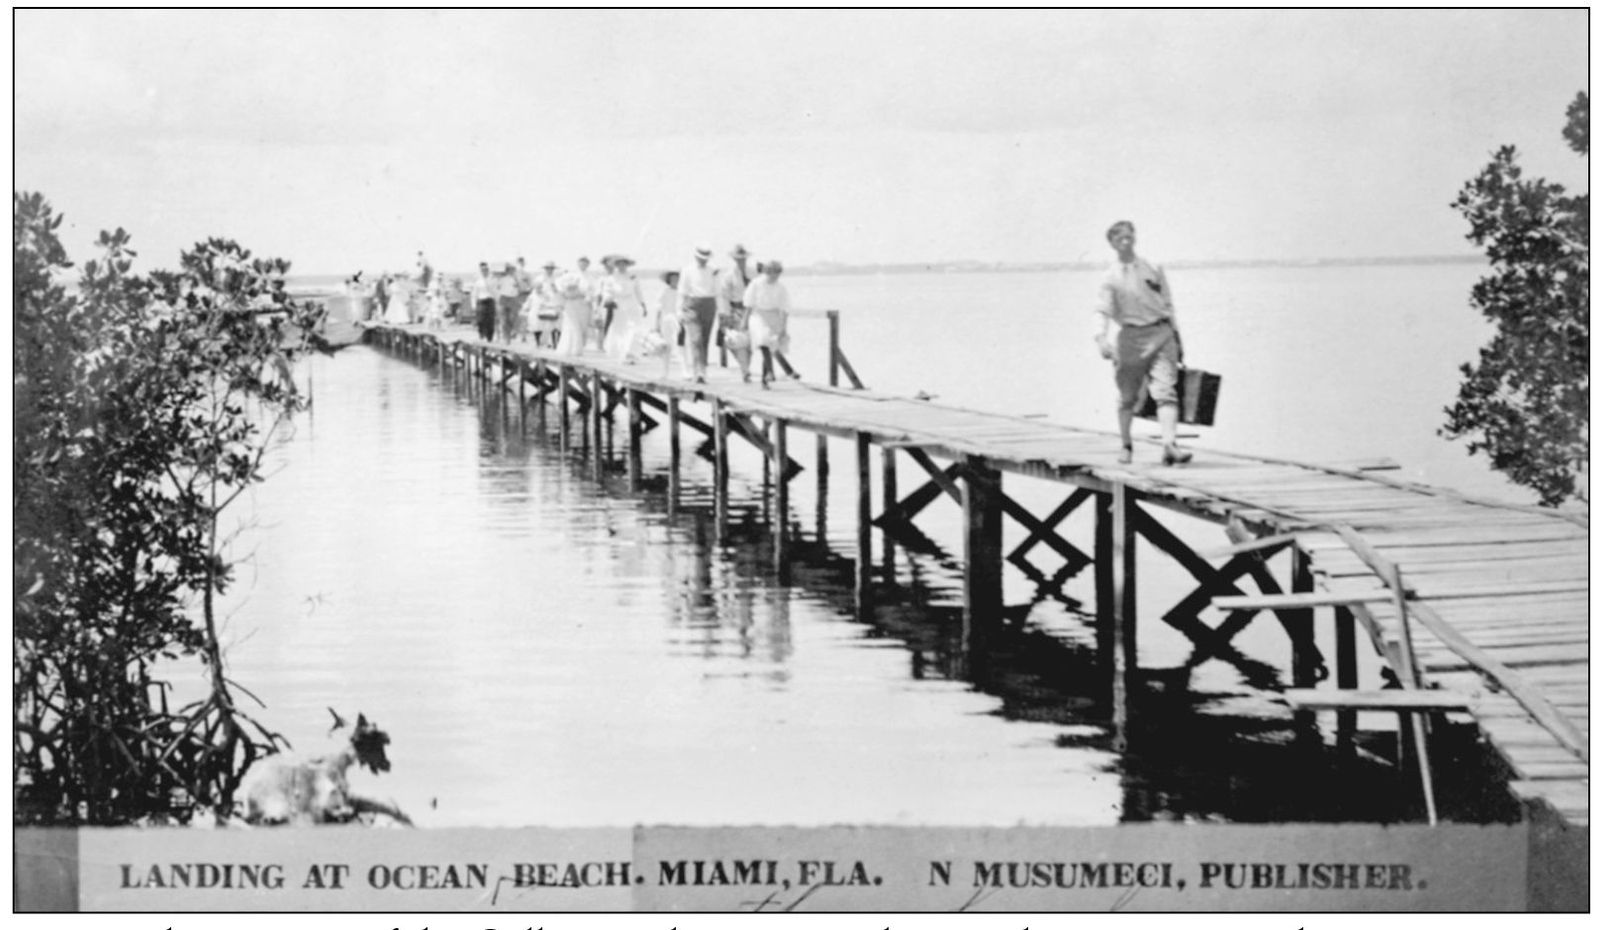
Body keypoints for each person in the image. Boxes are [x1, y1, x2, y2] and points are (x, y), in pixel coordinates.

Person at [1093, 220, 1191, 466]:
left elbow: (1168, 303)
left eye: (1129, 236)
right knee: (1127, 396)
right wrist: (1100, 338)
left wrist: (1177, 337)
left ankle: (1170, 445)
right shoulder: (1110, 276)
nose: (1126, 242)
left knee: (1166, 391)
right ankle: (1126, 445)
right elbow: (1101, 310)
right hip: (1131, 338)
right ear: (1113, 244)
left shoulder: (1152, 266)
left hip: (1161, 333)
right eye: (1120, 239)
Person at [676, 243, 721, 382]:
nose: (703, 260)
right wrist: (679, 311)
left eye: (706, 258)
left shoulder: (713, 270)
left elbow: (718, 291)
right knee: (695, 338)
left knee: (705, 339)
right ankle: (698, 371)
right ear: (696, 256)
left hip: (709, 303)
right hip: (692, 303)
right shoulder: (687, 270)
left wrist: (720, 311)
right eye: (701, 257)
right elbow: (682, 291)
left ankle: (703, 370)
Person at [744, 260, 792, 387]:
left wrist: (783, 328)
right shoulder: (756, 283)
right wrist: (744, 321)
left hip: (774, 316)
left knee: (770, 344)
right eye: (772, 273)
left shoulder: (781, 287)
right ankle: (770, 371)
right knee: (762, 340)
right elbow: (748, 303)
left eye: (777, 274)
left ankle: (765, 379)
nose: (775, 276)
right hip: (758, 315)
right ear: (767, 272)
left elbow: (785, 308)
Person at [600, 256, 646, 361]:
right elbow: (607, 291)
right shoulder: (611, 278)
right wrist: (608, 299)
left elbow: (638, 291)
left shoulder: (633, 277)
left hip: (632, 304)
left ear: (627, 265)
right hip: (619, 305)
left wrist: (643, 304)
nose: (622, 266)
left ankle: (632, 352)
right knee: (620, 329)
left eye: (624, 264)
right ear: (616, 265)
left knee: (634, 328)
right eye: (619, 264)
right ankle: (620, 352)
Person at [719, 244, 753, 379]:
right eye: (738, 259)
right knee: (737, 341)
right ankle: (745, 369)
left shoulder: (753, 273)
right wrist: (725, 315)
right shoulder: (729, 276)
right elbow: (724, 296)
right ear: (734, 259)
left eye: (743, 258)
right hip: (736, 310)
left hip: (751, 310)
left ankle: (746, 368)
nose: (741, 261)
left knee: (750, 342)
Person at [555, 262, 593, 356]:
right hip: (570, 305)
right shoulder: (562, 282)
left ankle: (577, 348)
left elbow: (588, 291)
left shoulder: (585, 278)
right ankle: (572, 349)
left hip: (580, 304)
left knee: (580, 326)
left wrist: (587, 299)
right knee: (571, 326)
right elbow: (561, 293)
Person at [651, 270, 684, 379]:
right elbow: (658, 309)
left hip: (679, 320)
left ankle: (684, 371)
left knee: (680, 346)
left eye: (677, 279)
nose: (675, 281)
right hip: (666, 320)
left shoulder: (682, 292)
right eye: (673, 279)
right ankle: (664, 372)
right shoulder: (665, 291)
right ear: (669, 281)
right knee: (666, 347)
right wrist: (656, 325)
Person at [525, 261, 562, 348]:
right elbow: (535, 290)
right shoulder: (539, 278)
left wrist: (555, 289)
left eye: (551, 268)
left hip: (554, 301)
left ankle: (555, 344)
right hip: (543, 302)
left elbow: (560, 291)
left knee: (556, 323)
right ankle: (539, 342)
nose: (549, 270)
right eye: (547, 268)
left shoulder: (557, 279)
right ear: (545, 269)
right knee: (541, 324)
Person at [471, 262, 497, 342]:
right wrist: (473, 305)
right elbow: (474, 293)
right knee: (480, 320)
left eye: (486, 269)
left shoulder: (493, 279)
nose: (484, 271)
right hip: (481, 301)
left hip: (490, 300)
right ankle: (481, 335)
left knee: (490, 321)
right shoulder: (478, 281)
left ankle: (490, 337)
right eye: (483, 270)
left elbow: (496, 291)